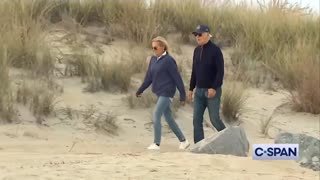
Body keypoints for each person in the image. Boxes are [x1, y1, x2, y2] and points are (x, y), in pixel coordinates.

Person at [136, 36, 190, 150]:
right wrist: (140, 90)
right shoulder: (153, 60)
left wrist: (182, 95)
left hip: (167, 92)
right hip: (159, 92)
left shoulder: (169, 61)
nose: (153, 50)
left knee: (156, 114)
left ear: (163, 47)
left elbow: (177, 78)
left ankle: (156, 144)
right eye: (152, 48)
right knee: (169, 118)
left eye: (155, 48)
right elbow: (148, 78)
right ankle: (184, 141)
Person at [188, 25, 226, 144]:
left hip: (212, 92)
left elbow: (220, 71)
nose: (197, 37)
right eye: (196, 35)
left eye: (200, 34)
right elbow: (194, 71)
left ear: (207, 34)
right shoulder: (196, 50)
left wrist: (214, 87)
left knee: (214, 119)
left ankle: (228, 139)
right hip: (199, 91)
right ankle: (199, 145)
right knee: (196, 119)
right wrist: (191, 88)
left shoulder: (215, 50)